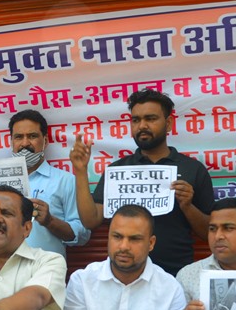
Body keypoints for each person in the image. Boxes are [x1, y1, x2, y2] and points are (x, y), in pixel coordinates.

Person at [70, 88, 215, 276]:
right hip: (125, 276)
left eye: (150, 119)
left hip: (176, 274)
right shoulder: (118, 171)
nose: (142, 126)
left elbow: (208, 234)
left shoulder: (193, 169)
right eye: (136, 120)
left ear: (168, 123)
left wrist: (188, 206)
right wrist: (81, 172)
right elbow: (91, 220)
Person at [0, 109, 90, 257]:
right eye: (18, 137)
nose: (25, 143)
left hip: (44, 272)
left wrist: (50, 221)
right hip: (1, 273)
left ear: (45, 141)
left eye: (32, 136)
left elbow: (82, 235)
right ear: (12, 142)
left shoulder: (65, 181)